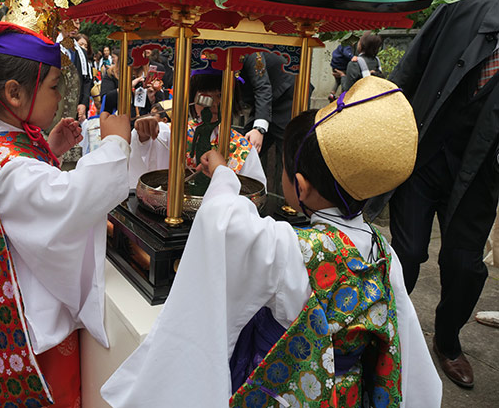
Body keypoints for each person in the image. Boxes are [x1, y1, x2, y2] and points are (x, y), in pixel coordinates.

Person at [102, 76, 442, 408]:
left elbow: (225, 222)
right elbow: (404, 338)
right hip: (351, 391)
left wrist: (222, 175)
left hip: (291, 387)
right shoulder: (384, 252)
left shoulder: (293, 249)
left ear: (300, 186)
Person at [0, 0, 131, 407]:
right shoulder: (12, 166)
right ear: (15, 94)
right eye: (54, 87)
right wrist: (115, 147)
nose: (59, 98)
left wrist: (49, 151)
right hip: (28, 329)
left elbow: (29, 198)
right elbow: (65, 202)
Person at [365, 0, 499, 389]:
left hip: (480, 173)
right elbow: (407, 72)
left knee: (465, 265)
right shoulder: (461, 9)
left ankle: (447, 340)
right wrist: (381, 131)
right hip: (424, 156)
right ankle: (383, 332)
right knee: (406, 252)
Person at [129, 71, 266, 189]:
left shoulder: (242, 148)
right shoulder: (175, 133)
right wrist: (144, 133)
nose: (213, 104)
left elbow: (254, 189)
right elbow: (151, 141)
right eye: (205, 97)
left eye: (220, 96)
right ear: (193, 98)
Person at [240, 51, 299, 193]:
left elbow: (263, 88)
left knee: (289, 154)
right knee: (243, 150)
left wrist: (259, 129)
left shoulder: (251, 51)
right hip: (263, 104)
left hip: (287, 95)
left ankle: (292, 204)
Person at [57, 19, 93, 122]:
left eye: (77, 23)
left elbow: (87, 80)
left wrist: (83, 103)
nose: (74, 27)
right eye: (70, 22)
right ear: (60, 24)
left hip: (76, 108)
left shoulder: (81, 52)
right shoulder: (52, 47)